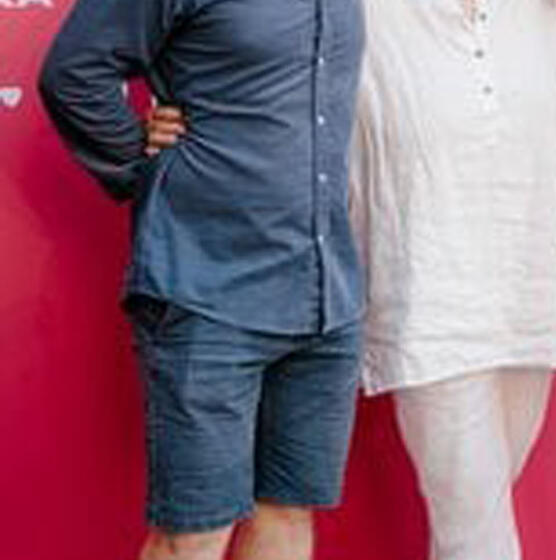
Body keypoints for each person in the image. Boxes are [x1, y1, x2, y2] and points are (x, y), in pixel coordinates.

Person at [144, 0, 556, 557]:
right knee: (472, 524)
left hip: (531, 292)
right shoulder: (363, 11)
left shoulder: (555, 8)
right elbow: (275, 67)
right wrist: (181, 112)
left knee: (484, 512)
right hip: (427, 299)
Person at [38, 1, 365, 559]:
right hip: (207, 290)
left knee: (287, 511)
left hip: (323, 293)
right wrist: (139, 160)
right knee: (193, 534)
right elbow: (72, 72)